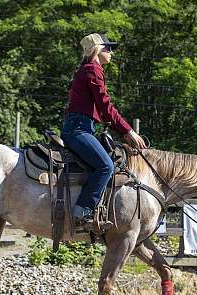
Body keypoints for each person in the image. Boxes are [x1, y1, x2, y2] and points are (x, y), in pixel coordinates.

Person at [62, 33, 146, 231]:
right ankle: (83, 213)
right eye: (108, 48)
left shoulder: (86, 70)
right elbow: (105, 106)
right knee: (106, 166)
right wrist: (128, 132)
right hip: (79, 129)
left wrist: (121, 129)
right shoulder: (92, 69)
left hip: (81, 126)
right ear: (98, 50)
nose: (112, 53)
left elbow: (102, 110)